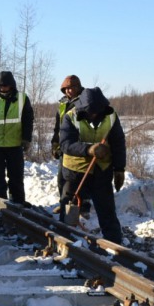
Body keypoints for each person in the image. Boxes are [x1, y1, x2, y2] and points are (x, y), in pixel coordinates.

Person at [58, 86, 126, 244]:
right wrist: (89, 149)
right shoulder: (70, 117)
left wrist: (119, 168)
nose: (94, 114)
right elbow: (66, 144)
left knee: (107, 211)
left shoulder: (111, 116)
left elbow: (118, 143)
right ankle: (65, 241)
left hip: (101, 171)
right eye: (90, 112)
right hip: (75, 172)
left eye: (96, 111)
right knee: (69, 210)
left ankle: (115, 245)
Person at [0, 70, 33, 205]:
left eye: (6, 85)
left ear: (11, 85)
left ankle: (18, 202)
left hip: (15, 144)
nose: (3, 88)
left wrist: (26, 138)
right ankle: (0, 203)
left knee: (16, 177)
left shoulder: (22, 99)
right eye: (0, 85)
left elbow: (28, 120)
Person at [52, 75, 89, 216]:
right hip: (64, 145)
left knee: (79, 178)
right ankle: (64, 204)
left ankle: (83, 206)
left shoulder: (85, 101)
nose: (69, 91)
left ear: (78, 87)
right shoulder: (62, 104)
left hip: (78, 146)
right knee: (62, 178)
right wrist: (55, 144)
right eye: (66, 88)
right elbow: (57, 126)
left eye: (72, 87)